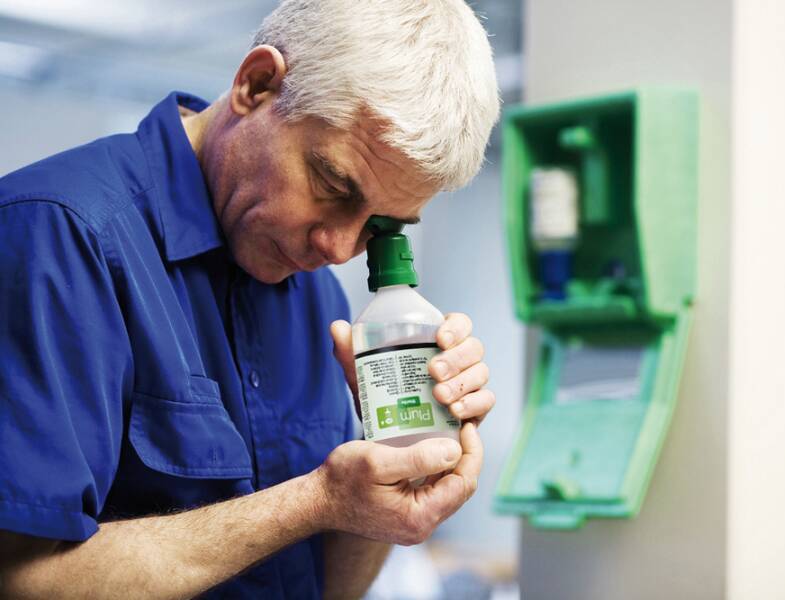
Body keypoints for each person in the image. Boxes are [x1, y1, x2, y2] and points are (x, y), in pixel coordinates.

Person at [0, 0, 500, 597]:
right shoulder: (56, 235)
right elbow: (22, 581)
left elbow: (327, 589)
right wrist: (315, 500)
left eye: (380, 226)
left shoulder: (316, 293)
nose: (339, 249)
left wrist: (396, 461)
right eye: (332, 185)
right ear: (256, 85)